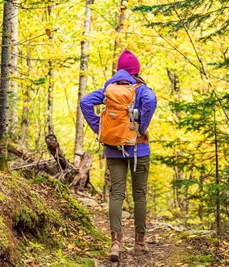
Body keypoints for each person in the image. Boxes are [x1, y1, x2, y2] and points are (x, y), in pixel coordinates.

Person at [80, 50, 157, 261]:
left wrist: (100, 129)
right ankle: (140, 243)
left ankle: (116, 243)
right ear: (136, 71)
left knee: (116, 194)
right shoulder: (141, 90)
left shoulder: (108, 89)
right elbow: (151, 99)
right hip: (139, 150)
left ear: (118, 70)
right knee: (139, 194)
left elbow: (85, 102)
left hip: (113, 150)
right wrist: (142, 126)